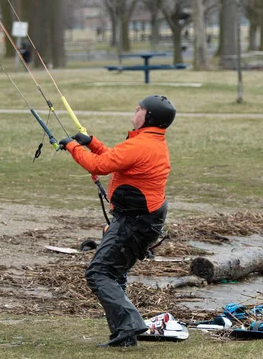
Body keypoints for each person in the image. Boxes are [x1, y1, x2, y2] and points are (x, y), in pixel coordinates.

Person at [58, 95, 176, 348]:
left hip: (136, 222)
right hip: (137, 219)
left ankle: (130, 325)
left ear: (149, 117)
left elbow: (99, 166)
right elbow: (114, 160)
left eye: (141, 109)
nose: (136, 111)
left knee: (99, 273)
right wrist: (91, 143)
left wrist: (72, 147)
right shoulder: (148, 141)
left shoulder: (142, 144)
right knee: (113, 273)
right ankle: (124, 336)